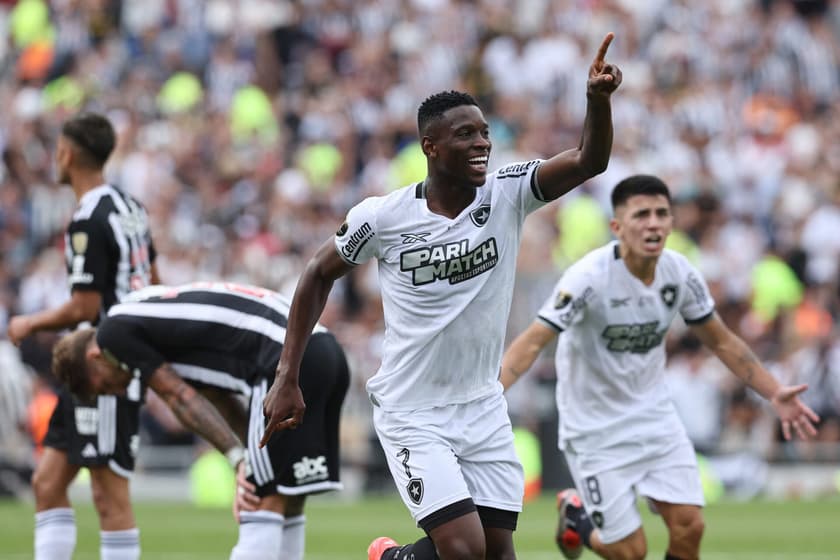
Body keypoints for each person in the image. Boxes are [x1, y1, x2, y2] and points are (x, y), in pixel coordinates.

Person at [261, 32, 622, 560]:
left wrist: (596, 101)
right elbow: (317, 274)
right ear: (431, 147)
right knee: (461, 551)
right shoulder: (383, 218)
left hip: (481, 405)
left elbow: (590, 160)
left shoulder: (507, 194)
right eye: (466, 135)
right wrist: (286, 375)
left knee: (497, 556)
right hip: (414, 411)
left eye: (484, 132)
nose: (483, 143)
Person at [500, 174, 820, 560]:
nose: (653, 223)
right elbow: (534, 340)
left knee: (690, 526)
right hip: (594, 429)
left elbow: (720, 340)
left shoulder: (679, 273)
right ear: (617, 226)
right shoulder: (588, 278)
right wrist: (491, 396)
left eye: (661, 214)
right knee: (630, 552)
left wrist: (773, 392)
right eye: (641, 215)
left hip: (655, 419)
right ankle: (578, 518)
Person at [51, 282, 350, 560]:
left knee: (258, 499)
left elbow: (178, 396)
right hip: (325, 352)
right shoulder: (151, 319)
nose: (117, 389)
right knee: (287, 496)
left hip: (284, 362)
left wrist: (238, 461)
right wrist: (250, 454)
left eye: (103, 385)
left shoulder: (113, 335)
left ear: (94, 357)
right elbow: (218, 397)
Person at [7, 112, 158, 560]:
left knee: (109, 494)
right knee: (47, 482)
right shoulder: (131, 208)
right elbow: (154, 277)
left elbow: (85, 308)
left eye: (57, 149)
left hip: (105, 365)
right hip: (96, 366)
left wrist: (28, 323)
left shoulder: (88, 217)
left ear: (68, 154)